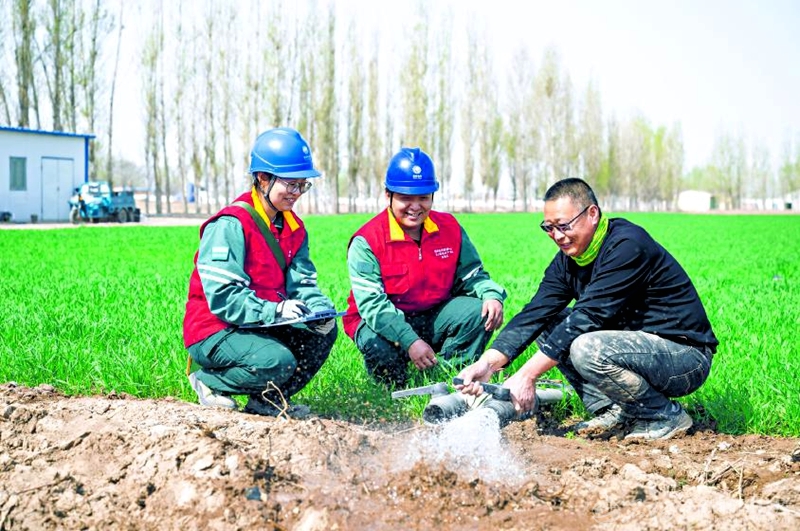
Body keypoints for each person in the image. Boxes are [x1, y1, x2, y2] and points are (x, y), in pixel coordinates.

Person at [456, 177, 718, 440]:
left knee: (586, 347)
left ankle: (663, 415)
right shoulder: (569, 260)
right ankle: (613, 409)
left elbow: (588, 316)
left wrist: (527, 375)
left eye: (564, 226)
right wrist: (487, 364)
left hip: (684, 356)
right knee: (551, 323)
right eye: (549, 228)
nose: (557, 236)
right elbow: (535, 313)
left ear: (592, 214)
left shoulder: (627, 245)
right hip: (634, 348)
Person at [182, 127, 337, 417]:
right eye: (290, 184)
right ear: (263, 178)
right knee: (276, 361)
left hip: (260, 323)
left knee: (322, 334)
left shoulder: (294, 228)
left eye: (302, 185)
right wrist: (275, 311)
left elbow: (302, 285)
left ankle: (267, 400)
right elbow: (224, 298)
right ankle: (208, 381)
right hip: (215, 329)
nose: (296, 193)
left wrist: (319, 310)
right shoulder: (231, 225)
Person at [342, 147, 507, 389]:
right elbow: (372, 306)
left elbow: (473, 275)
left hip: (433, 314)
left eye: (423, 197)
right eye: (405, 198)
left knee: (479, 312)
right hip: (379, 322)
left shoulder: (449, 228)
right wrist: (410, 341)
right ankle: (392, 390)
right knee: (381, 350)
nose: (415, 206)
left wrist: (491, 295)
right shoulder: (367, 240)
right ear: (388, 195)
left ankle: (449, 379)